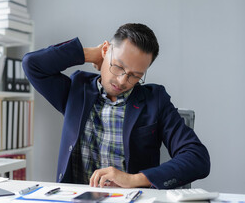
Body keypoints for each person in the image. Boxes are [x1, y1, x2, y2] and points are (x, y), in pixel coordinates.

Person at [22, 23, 210, 189]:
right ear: (106, 51)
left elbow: (197, 158)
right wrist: (90, 54)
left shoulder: (155, 100)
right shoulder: (77, 89)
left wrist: (134, 179)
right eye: (118, 66)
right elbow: (32, 64)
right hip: (76, 197)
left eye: (135, 75)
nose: (122, 81)